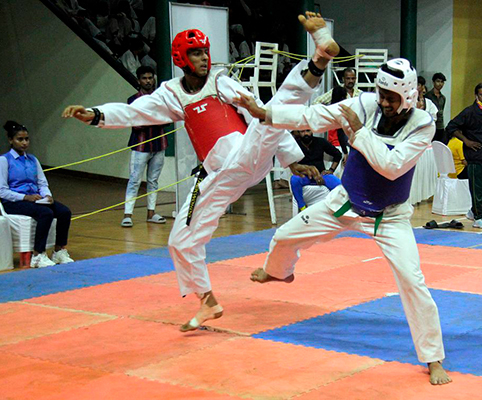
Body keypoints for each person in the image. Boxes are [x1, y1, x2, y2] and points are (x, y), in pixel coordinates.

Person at [62, 12, 340, 330]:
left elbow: (259, 112)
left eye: (205, 52)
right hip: (218, 176)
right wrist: (95, 114)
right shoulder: (172, 93)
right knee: (180, 239)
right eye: (196, 53)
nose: (204, 58)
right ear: (182, 58)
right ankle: (207, 301)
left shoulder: (220, 81)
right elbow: (135, 112)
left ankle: (320, 55)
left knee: (271, 113)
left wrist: (290, 161)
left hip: (247, 152)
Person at [238, 58, 451, 385]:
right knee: (284, 236)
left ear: (408, 97)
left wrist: (359, 133)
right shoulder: (365, 105)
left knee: (412, 282)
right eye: (381, 94)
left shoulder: (422, 125)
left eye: (391, 98)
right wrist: (267, 114)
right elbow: (314, 116)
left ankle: (433, 358)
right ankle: (279, 272)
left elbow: (391, 166)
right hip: (345, 203)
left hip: (389, 217)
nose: (383, 102)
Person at [0, 121, 74, 268]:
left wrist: (47, 196)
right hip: (14, 202)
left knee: (64, 212)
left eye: (26, 139)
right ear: (10, 140)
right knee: (45, 213)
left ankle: (59, 250)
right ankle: (38, 254)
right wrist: (25, 197)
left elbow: (42, 183)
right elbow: (2, 191)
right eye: (20, 139)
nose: (24, 143)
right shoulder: (4, 160)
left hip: (35, 200)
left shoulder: (33, 160)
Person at [446, 82, 482, 229]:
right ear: (476, 96)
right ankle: (478, 218)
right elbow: (451, 126)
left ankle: (474, 211)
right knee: (477, 189)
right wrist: (466, 141)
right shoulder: (469, 112)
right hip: (475, 156)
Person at [121, 66, 167, 227]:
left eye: (150, 78)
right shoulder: (132, 100)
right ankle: (127, 215)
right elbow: (136, 123)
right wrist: (155, 118)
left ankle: (151, 213)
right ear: (139, 80)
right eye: (144, 78)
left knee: (153, 180)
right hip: (140, 146)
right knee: (134, 180)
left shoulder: (161, 98)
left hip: (159, 144)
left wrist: (149, 118)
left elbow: (167, 119)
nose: (148, 81)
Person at [313, 67, 363, 166]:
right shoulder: (336, 92)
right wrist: (329, 113)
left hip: (354, 131)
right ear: (343, 79)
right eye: (348, 78)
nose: (350, 81)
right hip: (338, 130)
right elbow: (316, 102)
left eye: (353, 78)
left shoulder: (360, 94)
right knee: (339, 161)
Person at [290, 129, 342, 211]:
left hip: (322, 176)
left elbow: (338, 154)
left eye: (308, 131)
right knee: (294, 179)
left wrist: (331, 170)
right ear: (299, 133)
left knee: (339, 185)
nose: (306, 134)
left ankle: (338, 209)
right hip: (304, 176)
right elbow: (291, 164)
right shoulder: (295, 145)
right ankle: (302, 207)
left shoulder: (320, 142)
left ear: (312, 131)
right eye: (302, 131)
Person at [425, 72, 447, 143]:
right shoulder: (427, 96)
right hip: (430, 125)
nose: (440, 84)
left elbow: (441, 112)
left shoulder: (443, 98)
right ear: (433, 82)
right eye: (438, 81)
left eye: (442, 82)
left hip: (440, 126)